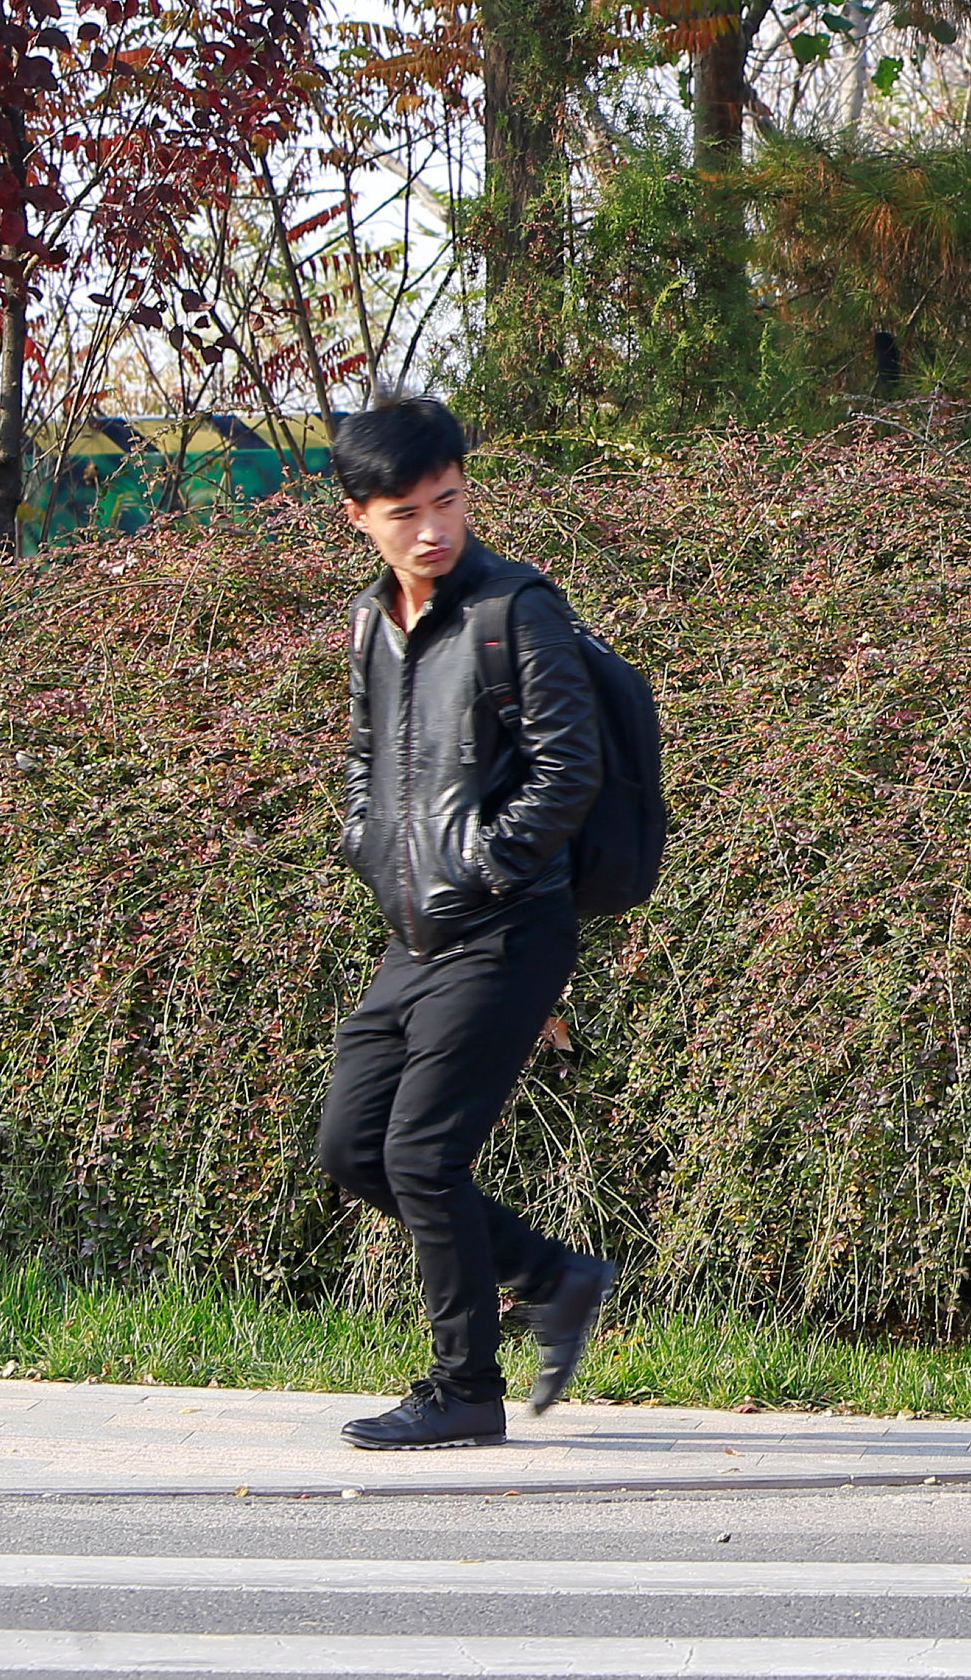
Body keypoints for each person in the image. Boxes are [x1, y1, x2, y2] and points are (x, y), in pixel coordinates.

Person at [316, 397, 616, 1449]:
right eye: (406, 512)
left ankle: (464, 1388)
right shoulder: (371, 623)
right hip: (416, 933)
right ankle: (553, 1277)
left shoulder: (512, 608)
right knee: (354, 1147)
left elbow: (567, 771)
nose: (434, 529)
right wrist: (369, 846)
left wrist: (482, 869)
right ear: (358, 515)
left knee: (422, 1155)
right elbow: (365, 760)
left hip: (506, 926)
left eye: (448, 500)